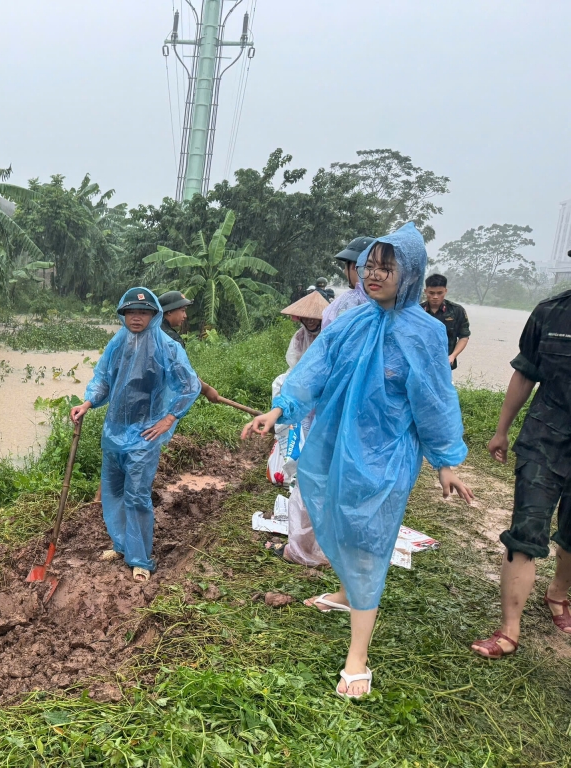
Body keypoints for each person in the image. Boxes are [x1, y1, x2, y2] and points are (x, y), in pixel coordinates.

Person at [241, 223, 474, 699]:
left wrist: (445, 460)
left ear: (408, 273)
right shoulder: (350, 320)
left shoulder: (426, 333)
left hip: (387, 454)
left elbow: (434, 399)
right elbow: (314, 368)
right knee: (337, 519)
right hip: (335, 442)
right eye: (370, 265)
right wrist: (280, 409)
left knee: (369, 538)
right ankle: (347, 594)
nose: (375, 274)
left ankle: (357, 658)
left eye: (386, 267)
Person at [70, 287, 200, 583]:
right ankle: (120, 545)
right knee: (113, 492)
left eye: (142, 312)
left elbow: (188, 386)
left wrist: (169, 419)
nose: (136, 317)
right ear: (123, 315)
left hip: (144, 434)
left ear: (154, 315)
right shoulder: (117, 343)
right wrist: (87, 403)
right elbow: (102, 379)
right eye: (130, 312)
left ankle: (139, 558)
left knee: (137, 495)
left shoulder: (167, 347)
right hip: (114, 432)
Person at [471, 287, 571, 659]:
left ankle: (558, 594)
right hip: (545, 437)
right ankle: (509, 630)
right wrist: (501, 430)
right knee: (526, 530)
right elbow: (525, 374)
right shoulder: (550, 312)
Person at [270, 290, 330, 567]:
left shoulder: (331, 337)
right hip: (303, 404)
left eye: (314, 318)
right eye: (305, 317)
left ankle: (314, 543)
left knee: (322, 466)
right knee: (304, 448)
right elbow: (296, 372)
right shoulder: (299, 338)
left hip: (327, 405)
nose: (310, 322)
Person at [157, 290, 220, 403]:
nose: (185, 315)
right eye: (182, 311)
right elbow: (183, 371)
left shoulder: (152, 330)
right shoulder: (170, 338)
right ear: (169, 312)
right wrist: (206, 390)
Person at [322, 236, 375, 327]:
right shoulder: (389, 300)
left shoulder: (349, 301)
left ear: (354, 266)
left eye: (345, 266)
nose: (344, 271)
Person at [421, 274, 470, 369]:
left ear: (445, 291)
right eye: (431, 293)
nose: (435, 297)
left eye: (440, 293)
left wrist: (453, 356)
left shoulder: (457, 311)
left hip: (445, 364)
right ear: (425, 291)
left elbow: (464, 337)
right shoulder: (418, 311)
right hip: (421, 363)